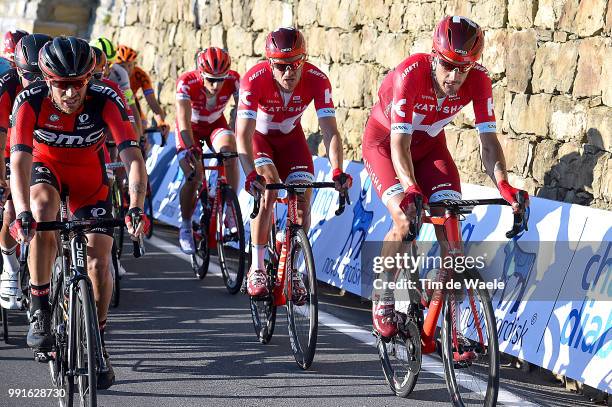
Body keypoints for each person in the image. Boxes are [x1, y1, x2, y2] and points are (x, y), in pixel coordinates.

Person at [362, 16, 529, 338]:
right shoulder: (409, 74)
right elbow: (400, 143)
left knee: (450, 224)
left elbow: (488, 142)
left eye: (463, 69)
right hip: (385, 144)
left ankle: (451, 322)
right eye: (448, 66)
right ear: (434, 56)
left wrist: (504, 185)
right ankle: (382, 297)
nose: (454, 77)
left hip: (431, 148)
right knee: (404, 216)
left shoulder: (479, 80)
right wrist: (411, 189)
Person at [9, 36, 150, 389]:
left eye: (79, 84)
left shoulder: (107, 99)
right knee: (41, 209)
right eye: (62, 86)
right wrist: (22, 212)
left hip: (90, 178)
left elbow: (133, 158)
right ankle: (40, 307)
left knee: (100, 261)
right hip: (45, 169)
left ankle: (97, 341)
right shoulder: (30, 101)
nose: (71, 93)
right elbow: (19, 162)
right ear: (48, 81)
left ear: (90, 79)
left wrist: (136, 207)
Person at [236, 27, 352, 302]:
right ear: (270, 64)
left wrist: (337, 170)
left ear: (304, 61)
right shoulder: (254, 80)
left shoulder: (317, 79)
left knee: (301, 202)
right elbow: (243, 134)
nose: (289, 73)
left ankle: (293, 267)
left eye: (295, 65)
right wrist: (250, 172)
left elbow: (330, 131)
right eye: (281, 66)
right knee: (270, 191)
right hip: (260, 140)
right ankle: (257, 265)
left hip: (291, 140)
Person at [0, 33, 51, 310]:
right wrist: (2, 180)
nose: (39, 83)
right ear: (17, 70)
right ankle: (9, 266)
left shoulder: (59, 86)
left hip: (43, 148)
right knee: (11, 210)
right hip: (10, 146)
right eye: (31, 76)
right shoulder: (6, 87)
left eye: (43, 75)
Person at [175, 47, 240, 254]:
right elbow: (184, 124)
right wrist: (191, 148)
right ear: (200, 74)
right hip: (190, 129)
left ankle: (229, 206)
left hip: (215, 125)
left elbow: (242, 115)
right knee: (194, 175)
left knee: (231, 151)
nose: (215, 85)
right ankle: (185, 225)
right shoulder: (186, 82)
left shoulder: (234, 80)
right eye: (210, 79)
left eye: (220, 79)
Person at [92, 37, 144, 141]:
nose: (105, 70)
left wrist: (138, 138)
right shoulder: (82, 73)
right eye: (100, 65)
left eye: (109, 64)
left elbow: (130, 106)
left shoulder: (120, 73)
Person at [116, 45, 168, 142]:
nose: (127, 70)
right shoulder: (112, 74)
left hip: (132, 104)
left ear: (134, 64)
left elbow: (152, 101)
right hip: (116, 105)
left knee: (141, 128)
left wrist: (160, 121)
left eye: (130, 65)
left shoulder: (140, 75)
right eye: (122, 66)